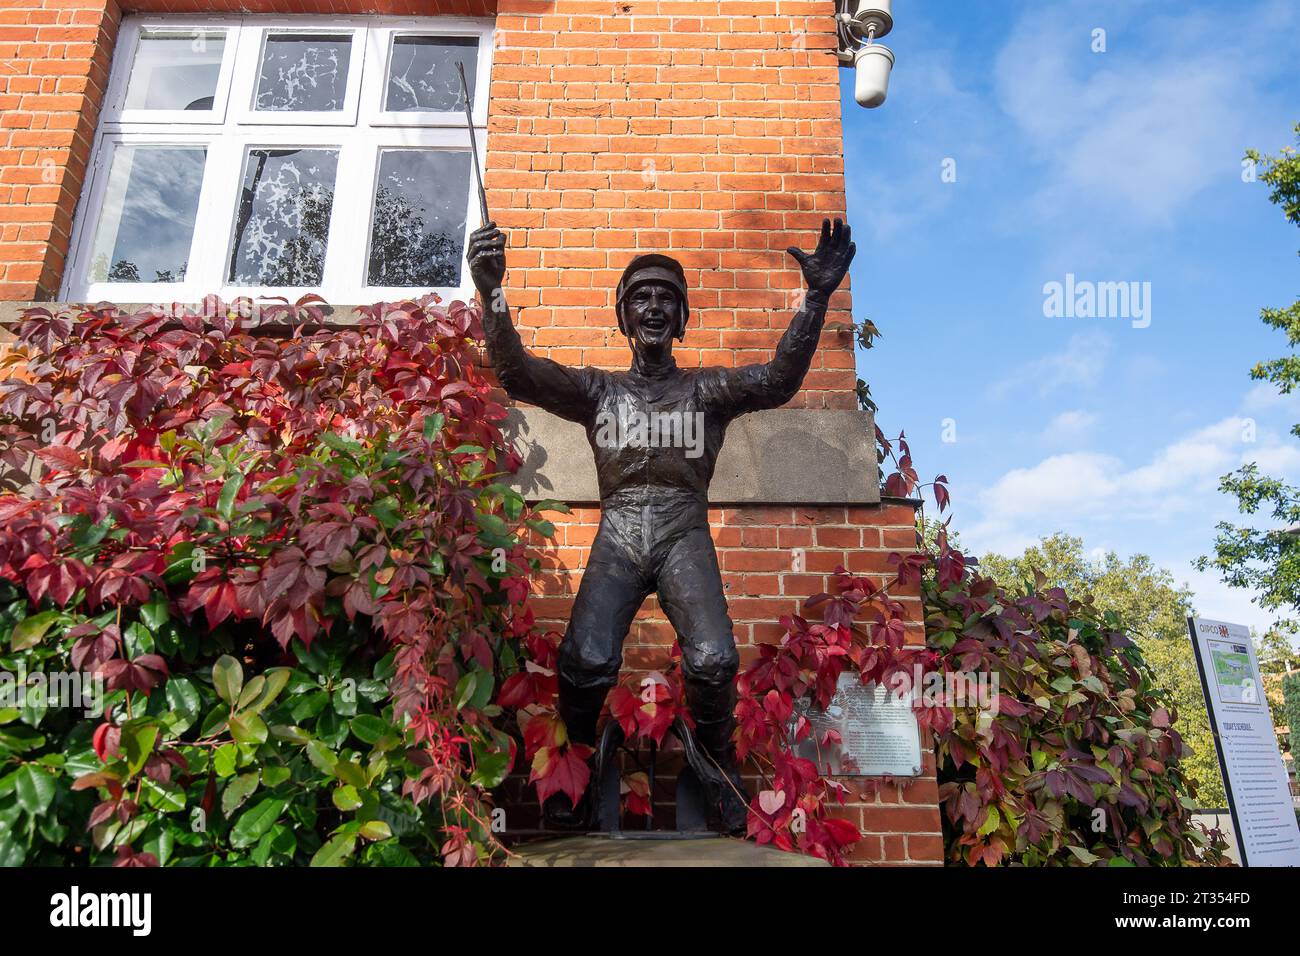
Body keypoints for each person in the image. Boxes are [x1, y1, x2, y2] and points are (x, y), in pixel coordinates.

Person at [468, 218, 855, 831]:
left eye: (666, 300)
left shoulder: (706, 389)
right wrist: (491, 290)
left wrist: (815, 299)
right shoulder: (596, 391)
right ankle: (578, 762)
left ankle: (719, 761)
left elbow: (778, 380)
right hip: (620, 531)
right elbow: (518, 373)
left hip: (682, 531)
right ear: (623, 319)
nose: (653, 308)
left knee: (714, 661)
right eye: (641, 299)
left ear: (681, 319)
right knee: (586, 660)